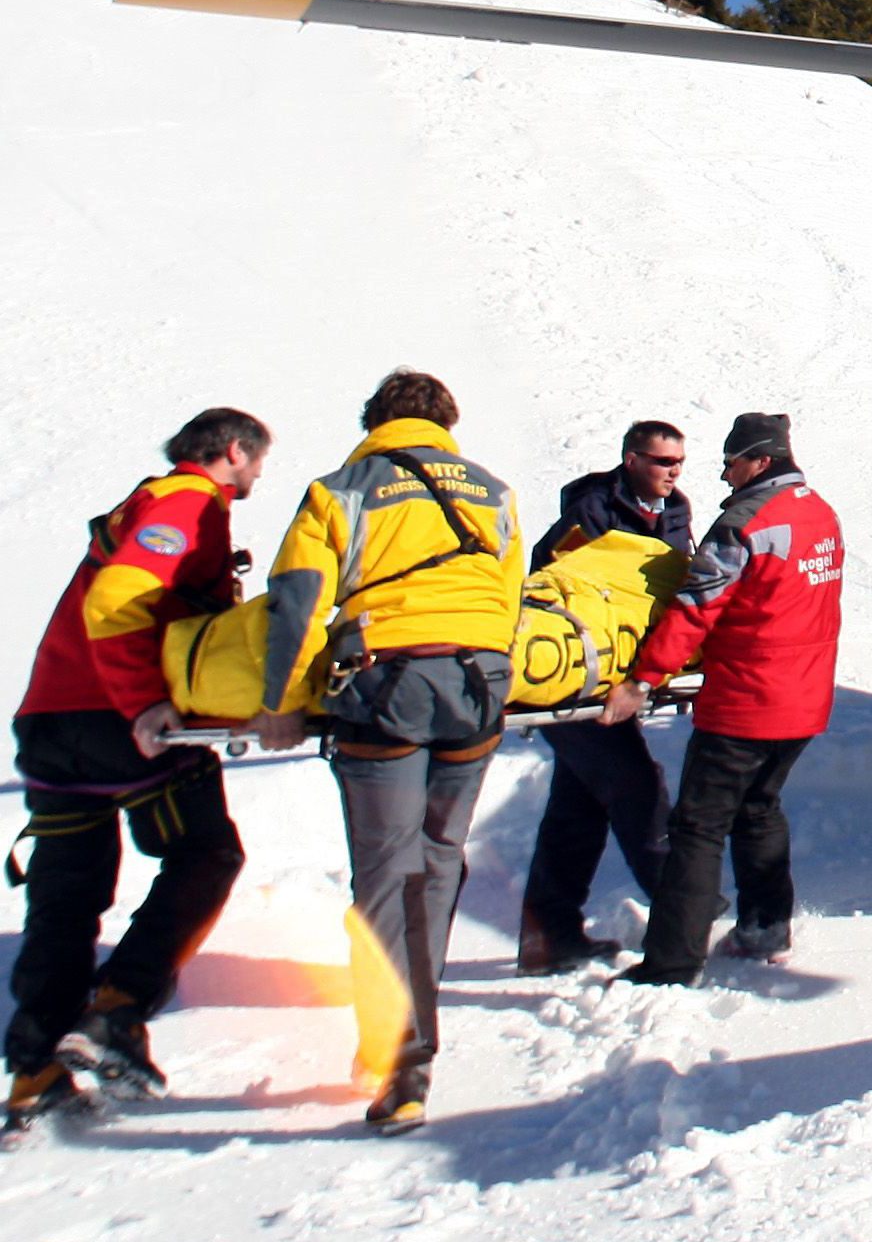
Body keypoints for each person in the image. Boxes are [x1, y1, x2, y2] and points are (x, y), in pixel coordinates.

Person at [251, 369, 523, 1133]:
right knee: (438, 860)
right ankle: (414, 1026)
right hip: (478, 686)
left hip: (385, 687)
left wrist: (280, 703)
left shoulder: (342, 488)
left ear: (374, 420)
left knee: (384, 869)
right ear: (447, 423)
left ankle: (399, 1057)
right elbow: (508, 596)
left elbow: (299, 598)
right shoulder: (492, 491)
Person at [6, 410, 268, 1134]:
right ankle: (117, 1011)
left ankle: (35, 1070)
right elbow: (118, 599)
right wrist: (145, 703)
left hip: (51, 722)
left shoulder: (144, 502)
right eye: (255, 465)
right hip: (122, 723)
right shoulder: (187, 501)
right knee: (206, 854)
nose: (255, 479)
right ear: (235, 451)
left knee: (65, 897)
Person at [607, 412, 843, 988]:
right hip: (805, 700)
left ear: (760, 460)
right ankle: (765, 929)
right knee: (760, 808)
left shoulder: (744, 523)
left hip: (746, 701)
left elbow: (696, 608)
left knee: (697, 827)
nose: (725, 477)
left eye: (731, 463)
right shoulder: (821, 514)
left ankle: (670, 963)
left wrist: (642, 679)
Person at [513, 421, 693, 975]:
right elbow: (552, 584)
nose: (674, 473)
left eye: (680, 462)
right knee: (635, 788)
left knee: (581, 801)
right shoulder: (590, 509)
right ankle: (683, 916)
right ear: (632, 459)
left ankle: (550, 933)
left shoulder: (677, 511)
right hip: (575, 679)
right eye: (664, 462)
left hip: (622, 678)